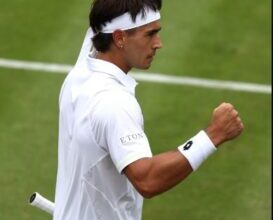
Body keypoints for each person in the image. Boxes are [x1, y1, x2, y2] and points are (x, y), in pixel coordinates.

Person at [53, 0, 244, 219]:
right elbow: (147, 179)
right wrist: (213, 135)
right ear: (119, 38)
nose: (158, 43)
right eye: (150, 34)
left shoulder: (81, 71)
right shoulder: (113, 103)